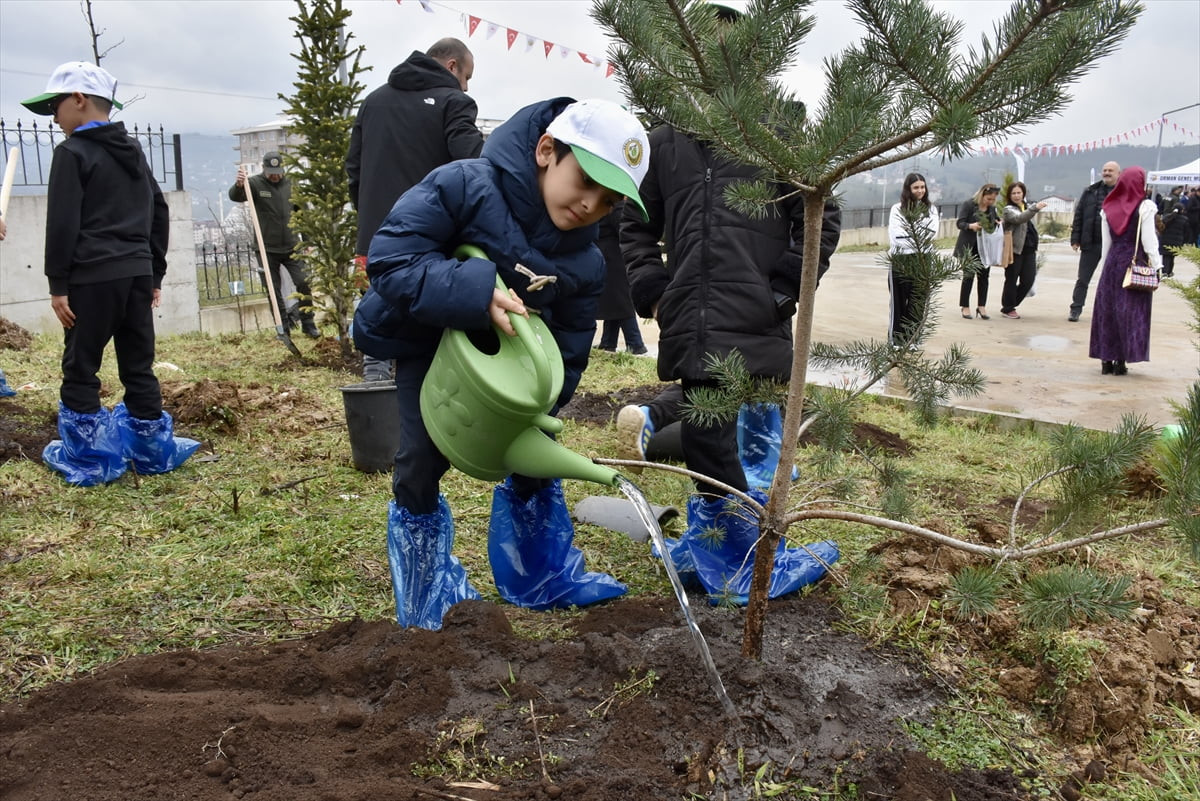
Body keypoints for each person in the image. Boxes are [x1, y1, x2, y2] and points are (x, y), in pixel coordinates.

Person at [352, 97, 650, 630]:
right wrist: (474, 291)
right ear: (545, 151)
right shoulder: (465, 185)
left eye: (608, 201)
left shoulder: (585, 259)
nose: (589, 205)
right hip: (432, 340)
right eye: (585, 181)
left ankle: (541, 573)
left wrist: (545, 402)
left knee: (536, 461)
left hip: (511, 368)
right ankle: (426, 595)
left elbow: (572, 339)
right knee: (421, 456)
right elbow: (392, 258)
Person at [619, 3, 841, 606]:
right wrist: (653, 287)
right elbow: (636, 223)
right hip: (690, 313)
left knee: (751, 436)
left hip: (757, 311)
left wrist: (786, 287)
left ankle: (739, 546)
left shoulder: (775, 133)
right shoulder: (664, 143)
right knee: (710, 431)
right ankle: (730, 549)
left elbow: (821, 215)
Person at [21, 61, 199, 485]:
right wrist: (154, 273)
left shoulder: (71, 153)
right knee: (138, 363)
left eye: (56, 107)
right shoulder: (132, 149)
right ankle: (151, 450)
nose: (54, 118)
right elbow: (158, 209)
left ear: (79, 101)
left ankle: (89, 459)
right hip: (136, 274)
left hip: (92, 277)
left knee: (82, 365)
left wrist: (58, 284)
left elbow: (63, 222)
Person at [346, 38, 484, 381]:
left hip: (376, 235)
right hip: (432, 237)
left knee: (378, 318)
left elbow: (354, 169)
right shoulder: (455, 101)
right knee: (429, 328)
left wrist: (370, 217)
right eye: (467, 75)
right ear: (452, 66)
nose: (466, 85)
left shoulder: (373, 101)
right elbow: (473, 165)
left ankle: (376, 398)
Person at [229, 153, 320, 338]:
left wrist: (307, 239)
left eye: (278, 172)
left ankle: (308, 323)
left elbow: (303, 213)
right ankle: (283, 327)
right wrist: (239, 185)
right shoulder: (254, 184)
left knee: (303, 282)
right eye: (271, 173)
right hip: (266, 248)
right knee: (273, 289)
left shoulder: (292, 185)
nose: (275, 176)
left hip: (292, 246)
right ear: (264, 169)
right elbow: (236, 197)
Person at [1089, 167, 1162, 376]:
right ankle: (1121, 361)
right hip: (1134, 262)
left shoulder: (1108, 207)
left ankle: (1105, 360)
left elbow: (1106, 244)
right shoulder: (1145, 207)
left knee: (1108, 311)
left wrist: (1104, 269)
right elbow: (1149, 241)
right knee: (1129, 312)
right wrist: (1157, 266)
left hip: (1113, 263)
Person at [886, 172, 940, 344]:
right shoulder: (897, 209)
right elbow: (897, 237)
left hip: (923, 259)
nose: (920, 190)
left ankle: (912, 340)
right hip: (901, 260)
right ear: (908, 189)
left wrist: (913, 236)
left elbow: (931, 234)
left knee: (918, 302)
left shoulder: (931, 209)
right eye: (916, 187)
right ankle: (896, 340)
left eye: (922, 187)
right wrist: (916, 237)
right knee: (899, 302)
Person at [1068, 161, 1120, 322]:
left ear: (1118, 174)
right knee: (1083, 279)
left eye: (1110, 170)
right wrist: (1075, 239)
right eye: (1104, 170)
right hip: (1091, 243)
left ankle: (1110, 312)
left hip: (1113, 245)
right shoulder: (1091, 191)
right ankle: (1075, 309)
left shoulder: (1123, 194)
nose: (1107, 173)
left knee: (1112, 281)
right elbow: (1079, 215)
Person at [594, 201, 647, 354]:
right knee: (615, 301)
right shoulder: (615, 206)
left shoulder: (615, 207)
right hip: (611, 257)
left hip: (614, 258)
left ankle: (636, 343)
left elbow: (623, 230)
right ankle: (608, 342)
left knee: (621, 301)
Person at [998, 181, 1047, 319]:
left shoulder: (1025, 207)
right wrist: (1034, 208)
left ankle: (1011, 304)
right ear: (1009, 195)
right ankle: (1008, 307)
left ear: (1023, 193)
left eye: (1019, 192)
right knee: (1011, 279)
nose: (1016, 195)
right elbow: (1019, 219)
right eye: (1013, 193)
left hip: (1029, 249)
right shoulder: (1009, 209)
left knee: (1028, 280)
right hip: (1014, 250)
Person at [955, 183, 1002, 320]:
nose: (991, 202)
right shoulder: (969, 205)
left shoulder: (991, 209)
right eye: (988, 199)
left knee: (984, 277)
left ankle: (981, 306)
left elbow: (995, 221)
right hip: (969, 246)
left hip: (985, 248)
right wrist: (971, 226)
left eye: (993, 200)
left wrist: (998, 223)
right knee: (968, 277)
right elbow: (960, 223)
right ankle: (965, 306)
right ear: (982, 195)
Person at [1159, 201, 1189, 278]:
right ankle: (1169, 271)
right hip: (1177, 241)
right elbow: (1186, 232)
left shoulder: (1167, 217)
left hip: (1165, 240)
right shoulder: (1184, 219)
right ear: (1182, 210)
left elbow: (1161, 227)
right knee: (1172, 257)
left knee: (1165, 256)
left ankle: (1164, 271)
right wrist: (1184, 242)